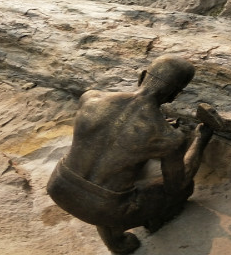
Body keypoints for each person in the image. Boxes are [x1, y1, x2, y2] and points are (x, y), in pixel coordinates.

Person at [46, 55, 219, 254]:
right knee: (185, 188)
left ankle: (117, 228)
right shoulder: (167, 138)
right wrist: (202, 138)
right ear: (175, 95)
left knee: (119, 169)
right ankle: (125, 237)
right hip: (104, 208)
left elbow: (105, 137)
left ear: (142, 75)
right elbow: (175, 185)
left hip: (58, 185)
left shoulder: (91, 98)